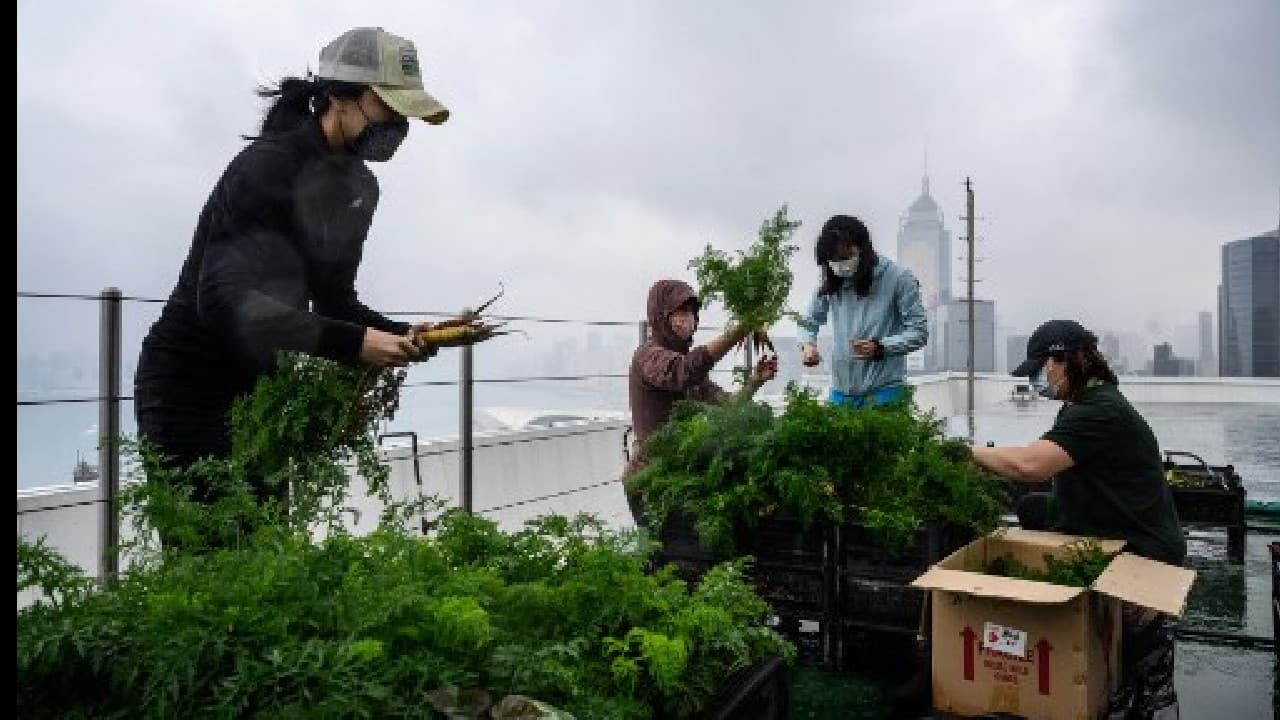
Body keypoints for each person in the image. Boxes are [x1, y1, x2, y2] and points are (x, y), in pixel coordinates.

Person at [134, 27, 449, 516]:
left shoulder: (361, 188)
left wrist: (407, 335)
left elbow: (335, 300)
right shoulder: (265, 168)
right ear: (340, 97)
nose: (398, 125)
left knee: (266, 550)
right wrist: (357, 344)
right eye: (388, 107)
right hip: (188, 386)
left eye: (405, 115)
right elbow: (220, 298)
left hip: (263, 391)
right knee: (206, 560)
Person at [971, 319, 1185, 720]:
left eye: (1042, 368)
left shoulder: (1100, 411)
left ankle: (1146, 656)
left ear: (1068, 359)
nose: (1038, 379)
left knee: (1131, 672)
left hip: (1140, 547)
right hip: (1101, 522)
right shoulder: (1083, 404)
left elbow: (1032, 464)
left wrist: (968, 453)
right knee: (1032, 508)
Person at [623, 279, 777, 526]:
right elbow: (684, 372)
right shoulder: (649, 356)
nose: (689, 318)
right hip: (649, 481)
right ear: (661, 315)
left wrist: (755, 381)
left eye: (692, 311)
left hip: (680, 476)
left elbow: (729, 404)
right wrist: (738, 331)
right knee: (659, 553)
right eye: (681, 311)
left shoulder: (689, 365)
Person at [796, 215, 927, 408]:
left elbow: (919, 332)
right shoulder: (832, 282)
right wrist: (807, 345)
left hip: (885, 393)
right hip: (841, 393)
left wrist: (881, 347)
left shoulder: (899, 278)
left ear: (863, 249)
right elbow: (808, 321)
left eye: (845, 257)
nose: (840, 265)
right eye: (833, 260)